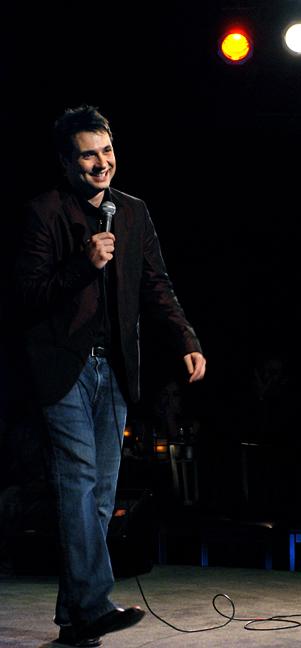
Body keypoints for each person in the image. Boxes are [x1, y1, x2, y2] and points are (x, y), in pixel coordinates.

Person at [14, 105, 206, 647]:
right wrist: (84, 264)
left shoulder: (133, 212)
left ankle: (76, 617)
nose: (102, 163)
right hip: (63, 367)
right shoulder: (44, 212)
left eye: (107, 150)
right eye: (88, 155)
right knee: (77, 482)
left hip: (115, 367)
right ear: (66, 162)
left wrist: (186, 339)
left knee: (100, 493)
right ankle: (95, 604)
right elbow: (27, 294)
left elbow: (157, 284)